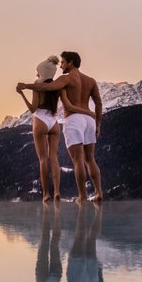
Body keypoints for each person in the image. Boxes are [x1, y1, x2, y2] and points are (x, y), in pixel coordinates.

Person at [18, 50, 103, 202]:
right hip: (89, 120)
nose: (61, 65)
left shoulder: (66, 79)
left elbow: (48, 89)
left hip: (72, 119)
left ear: (70, 62)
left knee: (77, 160)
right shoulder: (91, 80)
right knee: (90, 159)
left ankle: (81, 196)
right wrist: (97, 123)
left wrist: (26, 86)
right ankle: (99, 193)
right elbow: (98, 103)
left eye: (63, 62)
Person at [15, 55, 72, 202]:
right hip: (54, 122)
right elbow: (67, 104)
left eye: (38, 71)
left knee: (42, 160)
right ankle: (57, 191)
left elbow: (33, 109)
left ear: (42, 72)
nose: (36, 74)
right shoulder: (58, 86)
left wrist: (22, 94)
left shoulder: (37, 86)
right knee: (54, 157)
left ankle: (46, 194)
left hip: (40, 120)